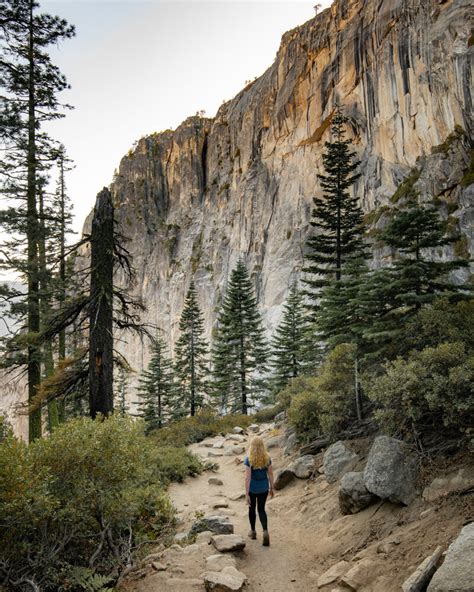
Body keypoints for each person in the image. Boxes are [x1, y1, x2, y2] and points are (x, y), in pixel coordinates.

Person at [244, 435, 275, 546]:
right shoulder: (267, 458)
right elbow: (270, 474)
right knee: (261, 510)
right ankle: (265, 531)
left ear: (252, 446)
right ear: (262, 446)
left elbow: (247, 478)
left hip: (252, 489)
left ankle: (253, 532)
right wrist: (272, 487)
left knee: (252, 509)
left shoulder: (249, 459)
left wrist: (246, 493)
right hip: (263, 488)